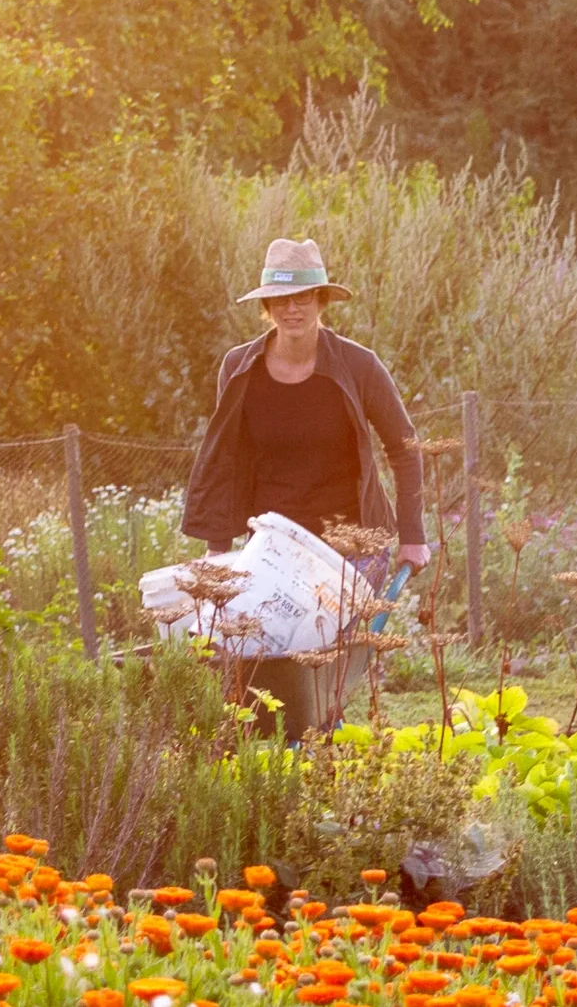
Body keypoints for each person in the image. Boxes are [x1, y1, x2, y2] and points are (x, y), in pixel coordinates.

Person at [182, 238, 431, 739]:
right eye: (280, 299)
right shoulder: (240, 367)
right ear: (267, 307)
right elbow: (225, 458)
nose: (292, 309)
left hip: (351, 544)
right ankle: (277, 755)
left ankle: (321, 742)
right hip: (272, 546)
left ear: (321, 301)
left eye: (303, 298)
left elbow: (405, 448)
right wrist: (217, 553)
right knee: (254, 659)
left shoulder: (358, 366)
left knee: (322, 667)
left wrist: (412, 535)